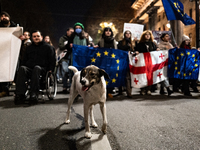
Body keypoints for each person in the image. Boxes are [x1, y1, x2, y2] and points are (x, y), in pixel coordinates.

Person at [14, 30, 56, 105]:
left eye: (38, 36)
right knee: (22, 68)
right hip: (30, 68)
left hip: (43, 69)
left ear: (41, 37)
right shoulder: (29, 48)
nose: (36, 38)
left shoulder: (48, 47)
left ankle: (34, 93)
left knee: (37, 68)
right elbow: (24, 59)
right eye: (34, 36)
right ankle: (20, 94)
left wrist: (51, 70)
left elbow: (52, 60)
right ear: (32, 38)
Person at [0, 11, 22, 98]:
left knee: (15, 71)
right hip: (3, 53)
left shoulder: (15, 27)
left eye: (5, 16)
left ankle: (20, 90)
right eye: (1, 16)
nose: (3, 17)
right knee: (3, 71)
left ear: (9, 18)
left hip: (14, 53)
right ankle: (4, 90)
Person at [135, 30, 158, 95]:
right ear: (143, 36)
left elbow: (154, 51)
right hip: (142, 61)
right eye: (146, 34)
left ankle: (148, 89)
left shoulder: (153, 44)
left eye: (149, 34)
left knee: (150, 75)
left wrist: (157, 50)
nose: (147, 36)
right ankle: (142, 89)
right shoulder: (140, 44)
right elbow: (137, 50)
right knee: (142, 75)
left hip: (150, 62)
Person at [97, 27, 117, 98]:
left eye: (109, 31)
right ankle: (102, 90)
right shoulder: (101, 41)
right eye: (106, 31)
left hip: (111, 60)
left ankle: (110, 90)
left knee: (111, 74)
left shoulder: (114, 41)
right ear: (104, 32)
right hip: (103, 60)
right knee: (103, 74)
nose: (108, 32)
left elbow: (116, 50)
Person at [117, 30, 134, 98]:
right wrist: (127, 46)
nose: (128, 34)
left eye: (129, 33)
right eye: (126, 33)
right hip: (122, 61)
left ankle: (129, 92)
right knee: (122, 75)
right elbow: (119, 49)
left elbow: (134, 50)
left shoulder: (132, 43)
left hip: (131, 61)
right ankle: (120, 89)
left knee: (129, 77)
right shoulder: (121, 42)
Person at [58, 27, 74, 93]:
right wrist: (67, 45)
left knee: (71, 72)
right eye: (71, 31)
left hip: (71, 57)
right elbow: (61, 46)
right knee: (65, 71)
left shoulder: (74, 38)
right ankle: (64, 87)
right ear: (67, 32)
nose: (72, 33)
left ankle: (70, 87)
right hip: (64, 58)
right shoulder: (62, 38)